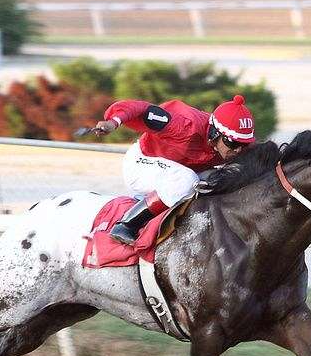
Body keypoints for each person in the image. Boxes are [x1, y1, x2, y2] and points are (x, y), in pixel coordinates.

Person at [78, 94, 256, 245]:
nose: (238, 150)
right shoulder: (184, 126)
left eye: (244, 144)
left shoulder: (232, 145)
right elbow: (141, 108)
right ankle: (126, 224)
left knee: (225, 177)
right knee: (187, 181)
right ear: (214, 133)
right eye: (233, 143)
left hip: (178, 171)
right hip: (142, 164)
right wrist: (114, 122)